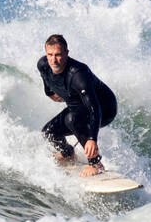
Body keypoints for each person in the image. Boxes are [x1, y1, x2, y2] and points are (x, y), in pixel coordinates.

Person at [37, 34, 117, 176]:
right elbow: (48, 86)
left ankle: (95, 163)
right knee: (49, 132)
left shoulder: (78, 74)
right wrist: (51, 94)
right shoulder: (43, 65)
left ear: (67, 53)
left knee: (71, 120)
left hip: (104, 109)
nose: (53, 60)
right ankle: (68, 153)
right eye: (50, 54)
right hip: (78, 108)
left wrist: (92, 139)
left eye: (58, 55)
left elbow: (94, 108)